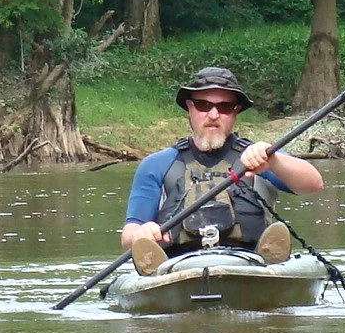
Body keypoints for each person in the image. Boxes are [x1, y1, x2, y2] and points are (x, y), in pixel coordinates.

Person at [121, 66, 324, 276]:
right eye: (203, 105)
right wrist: (141, 233)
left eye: (225, 107)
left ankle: (271, 255)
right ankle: (154, 263)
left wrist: (274, 161)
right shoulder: (157, 164)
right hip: (177, 266)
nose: (214, 114)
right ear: (189, 108)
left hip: (250, 262)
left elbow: (314, 184)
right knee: (147, 249)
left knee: (266, 252)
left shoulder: (259, 156)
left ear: (235, 112)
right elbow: (129, 233)